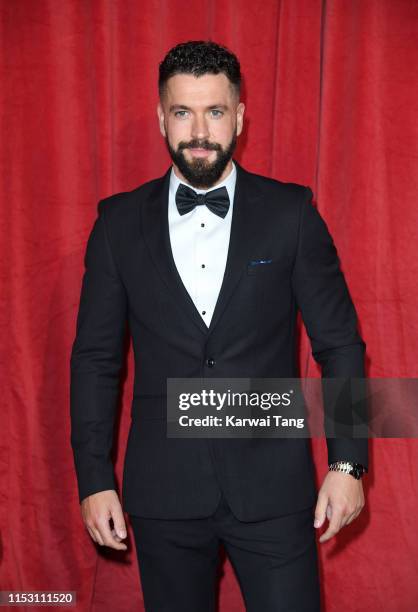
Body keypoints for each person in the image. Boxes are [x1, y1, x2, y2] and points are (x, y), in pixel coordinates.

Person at [70, 40, 368, 612]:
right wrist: (93, 477)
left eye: (215, 111)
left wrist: (348, 462)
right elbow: (95, 361)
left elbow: (341, 346)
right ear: (162, 117)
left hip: (276, 489)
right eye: (183, 112)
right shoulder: (116, 225)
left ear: (240, 116)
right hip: (163, 491)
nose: (199, 131)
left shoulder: (292, 215)